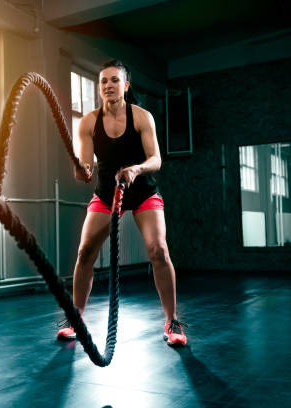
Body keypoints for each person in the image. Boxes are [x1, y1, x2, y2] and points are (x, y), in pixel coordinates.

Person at [57, 59, 187, 346]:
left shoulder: (142, 117)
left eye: (114, 80)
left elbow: (156, 160)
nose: (108, 86)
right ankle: (75, 318)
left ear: (125, 86)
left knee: (158, 250)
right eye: (103, 81)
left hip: (143, 193)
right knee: (85, 252)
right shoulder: (90, 122)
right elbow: (85, 171)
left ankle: (173, 321)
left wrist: (136, 169)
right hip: (106, 194)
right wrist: (81, 170)